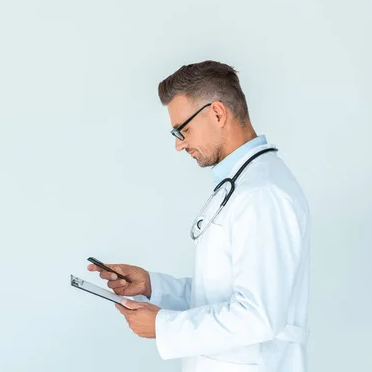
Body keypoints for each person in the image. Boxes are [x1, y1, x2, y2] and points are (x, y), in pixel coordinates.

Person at [88, 60, 310, 372]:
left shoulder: (262, 194)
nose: (180, 144)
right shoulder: (243, 185)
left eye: (184, 129)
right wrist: (152, 285)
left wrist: (164, 327)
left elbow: (258, 316)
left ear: (218, 113)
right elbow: (222, 292)